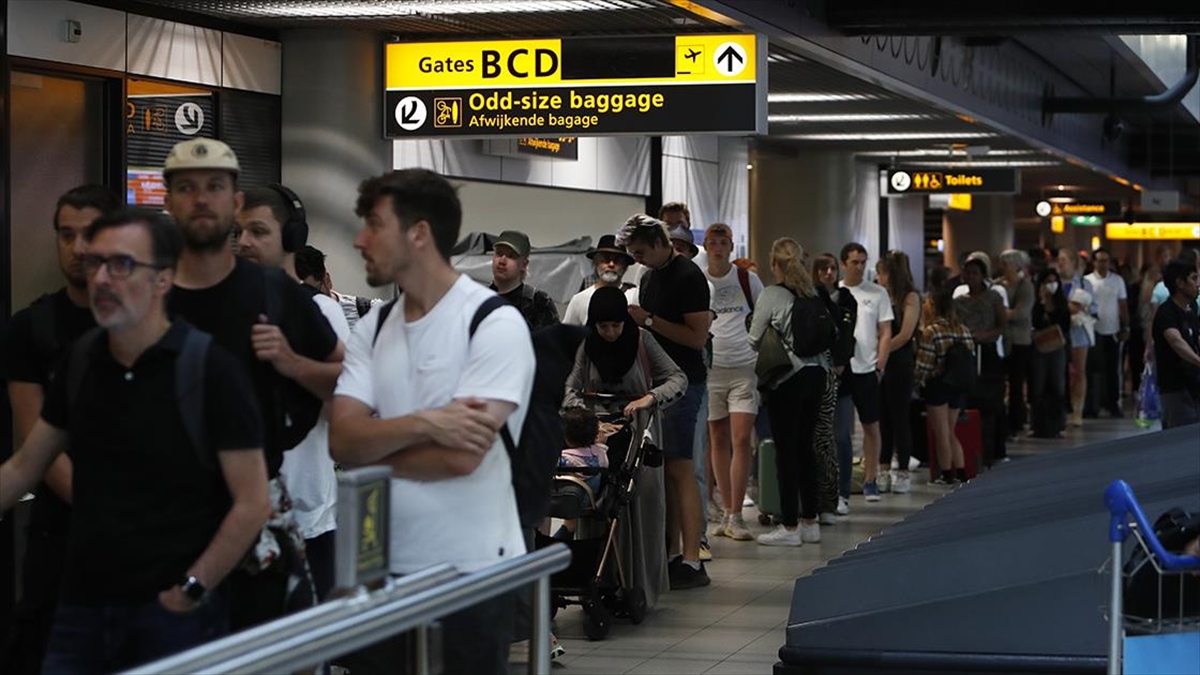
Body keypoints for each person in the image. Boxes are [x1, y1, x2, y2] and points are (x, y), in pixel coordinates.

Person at [0, 208, 269, 673]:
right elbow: (26, 465)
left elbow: (253, 501)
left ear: (163, 279)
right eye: (95, 263)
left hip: (173, 613)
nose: (102, 279)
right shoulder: (82, 362)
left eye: (122, 265)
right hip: (82, 605)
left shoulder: (208, 368)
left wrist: (193, 587)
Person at [329, 168, 533, 674]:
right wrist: (426, 423)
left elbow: (460, 458)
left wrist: (373, 449)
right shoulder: (375, 327)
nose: (359, 239)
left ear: (419, 233)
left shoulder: (492, 323)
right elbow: (342, 440)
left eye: (375, 224)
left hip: (469, 573)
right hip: (383, 570)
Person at [162, 138, 343, 628]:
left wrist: (291, 362)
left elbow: (348, 383)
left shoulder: (281, 295)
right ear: (169, 201)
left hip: (276, 511)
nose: (202, 200)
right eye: (187, 188)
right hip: (172, 515)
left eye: (214, 187)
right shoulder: (151, 292)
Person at [1, 185, 119, 674]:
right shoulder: (36, 329)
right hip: (64, 532)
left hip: (147, 537)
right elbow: (35, 454)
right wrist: (106, 513)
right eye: (66, 236)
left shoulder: (157, 331)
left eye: (89, 235)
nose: (78, 249)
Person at [236, 191, 351, 602]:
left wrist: (292, 364)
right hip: (237, 508)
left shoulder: (318, 308)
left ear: (291, 237)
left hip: (304, 503)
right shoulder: (229, 304)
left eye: (258, 231)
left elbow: (346, 393)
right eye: (238, 232)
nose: (244, 242)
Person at [563, 286, 688, 604]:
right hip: (597, 436)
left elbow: (678, 379)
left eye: (616, 325)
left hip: (637, 433)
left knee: (639, 506)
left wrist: (650, 398)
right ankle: (599, 579)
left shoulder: (643, 341)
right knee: (596, 504)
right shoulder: (587, 345)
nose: (610, 333)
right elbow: (569, 388)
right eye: (603, 327)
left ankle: (637, 586)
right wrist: (587, 420)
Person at [618, 213, 712, 589]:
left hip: (686, 382)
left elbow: (696, 338)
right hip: (657, 384)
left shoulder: (689, 277)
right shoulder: (649, 276)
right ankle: (672, 552)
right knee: (664, 471)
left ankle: (692, 558)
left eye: (640, 252)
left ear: (660, 242)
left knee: (681, 469)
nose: (636, 259)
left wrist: (648, 320)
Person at [748, 238, 832, 546]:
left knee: (786, 453)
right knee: (806, 449)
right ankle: (811, 521)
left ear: (774, 264)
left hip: (787, 378)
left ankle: (789, 526)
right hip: (817, 374)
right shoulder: (813, 293)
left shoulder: (772, 294)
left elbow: (754, 338)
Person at [702, 223, 763, 541]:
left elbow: (764, 315)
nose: (717, 248)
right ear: (705, 246)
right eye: (712, 242)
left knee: (741, 439)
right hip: (712, 368)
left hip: (744, 367)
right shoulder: (699, 279)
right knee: (718, 438)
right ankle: (726, 510)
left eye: (723, 242)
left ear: (730, 246)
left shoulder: (746, 279)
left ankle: (736, 513)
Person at [834, 243, 892, 502]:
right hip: (843, 368)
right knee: (841, 431)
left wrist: (880, 364)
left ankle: (871, 479)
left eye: (862, 262)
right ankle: (840, 484)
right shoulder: (837, 292)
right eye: (854, 262)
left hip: (868, 367)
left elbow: (885, 331)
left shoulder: (877, 292)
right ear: (844, 264)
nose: (859, 267)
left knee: (871, 425)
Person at [914, 271, 975, 485]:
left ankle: (946, 474)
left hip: (937, 385)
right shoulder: (963, 330)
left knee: (941, 432)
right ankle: (962, 472)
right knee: (951, 430)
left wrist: (916, 382)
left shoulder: (931, 331)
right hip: (958, 386)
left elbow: (924, 365)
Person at [955, 257, 1009, 466]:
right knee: (970, 400)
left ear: (983, 276)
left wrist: (985, 335)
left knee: (992, 403)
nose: (970, 277)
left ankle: (995, 450)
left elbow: (1002, 325)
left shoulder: (993, 297)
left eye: (975, 273)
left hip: (988, 353)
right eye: (967, 273)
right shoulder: (959, 301)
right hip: (966, 353)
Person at [813, 254, 855, 519]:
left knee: (841, 436)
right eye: (823, 269)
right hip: (816, 375)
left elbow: (847, 335)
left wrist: (840, 362)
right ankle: (821, 496)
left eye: (832, 268)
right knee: (819, 439)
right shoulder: (810, 298)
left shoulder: (847, 300)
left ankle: (843, 493)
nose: (828, 273)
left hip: (842, 377)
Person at [875, 250, 920, 494]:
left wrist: (881, 349)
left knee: (900, 418)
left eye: (881, 273)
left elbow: (904, 334)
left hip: (899, 362)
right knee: (882, 418)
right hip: (880, 362)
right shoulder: (880, 295)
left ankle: (902, 471)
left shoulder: (910, 298)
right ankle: (883, 468)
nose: (878, 277)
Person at [1152, 259, 1200, 428]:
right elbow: (1175, 340)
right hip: (1174, 387)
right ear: (1180, 283)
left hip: (1193, 383)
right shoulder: (1167, 312)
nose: (1198, 284)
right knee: (1179, 433)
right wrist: (1198, 361)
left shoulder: (1191, 308)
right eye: (1194, 278)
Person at [1083, 247, 1129, 419]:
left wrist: (1125, 326)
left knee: (1112, 369)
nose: (1102, 264)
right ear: (1094, 262)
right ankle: (1092, 405)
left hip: (1112, 329)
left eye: (1106, 260)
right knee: (1093, 369)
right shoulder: (1087, 281)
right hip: (1093, 330)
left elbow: (1123, 305)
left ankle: (1112, 404)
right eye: (1099, 260)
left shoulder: (1117, 280)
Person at [489, 229, 560, 329]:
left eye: (511, 256)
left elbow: (553, 337)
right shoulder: (480, 299)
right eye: (499, 254)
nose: (502, 261)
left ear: (524, 264)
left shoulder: (538, 302)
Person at [562, 234, 639, 326]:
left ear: (625, 266)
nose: (611, 264)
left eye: (617, 260)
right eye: (605, 259)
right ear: (596, 263)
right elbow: (567, 333)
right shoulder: (579, 299)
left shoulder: (636, 295)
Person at [997, 249, 1035, 438]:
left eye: (1007, 264)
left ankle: (1016, 420)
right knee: (1000, 382)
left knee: (1016, 382)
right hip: (1001, 339)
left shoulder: (1025, 286)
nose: (1003, 267)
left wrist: (1001, 313)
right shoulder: (997, 284)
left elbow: (1021, 313)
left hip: (1019, 339)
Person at [1029, 269, 1071, 438]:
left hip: (1057, 347)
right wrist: (1042, 301)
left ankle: (1058, 423)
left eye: (1053, 281)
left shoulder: (1062, 303)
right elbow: (1035, 321)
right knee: (1037, 386)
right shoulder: (1036, 303)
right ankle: (1036, 424)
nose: (1050, 285)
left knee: (1058, 385)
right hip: (1039, 347)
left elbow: (1065, 324)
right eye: (1047, 281)